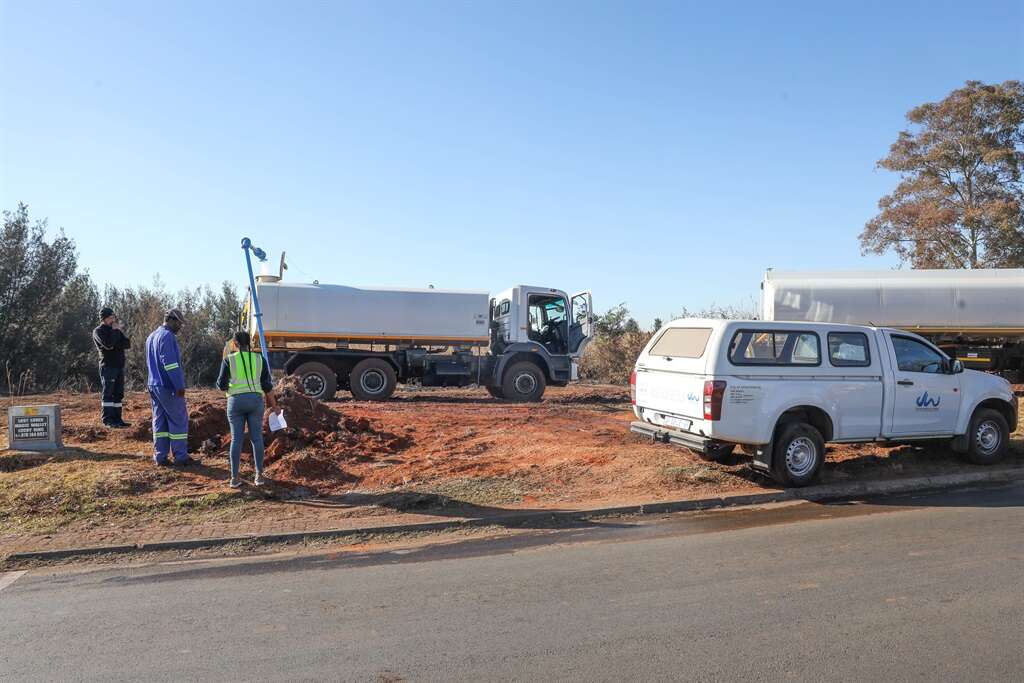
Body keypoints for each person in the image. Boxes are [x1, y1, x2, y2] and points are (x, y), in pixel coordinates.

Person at [216, 331, 278, 487]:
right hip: (256, 401)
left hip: (235, 402)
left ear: (235, 344)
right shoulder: (259, 359)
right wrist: (275, 406)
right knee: (256, 438)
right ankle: (259, 476)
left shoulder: (228, 360)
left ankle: (234, 478)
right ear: (249, 344)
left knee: (236, 439)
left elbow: (221, 385)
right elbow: (267, 386)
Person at [145, 308, 196, 466]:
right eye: (179, 323)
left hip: (154, 384)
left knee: (159, 420)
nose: (180, 327)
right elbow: (171, 364)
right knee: (179, 419)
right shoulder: (167, 336)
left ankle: (160, 456)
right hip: (168, 386)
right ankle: (181, 456)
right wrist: (179, 385)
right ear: (172, 320)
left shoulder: (151, 336)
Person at [92, 307, 131, 428]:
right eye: (110, 318)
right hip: (108, 367)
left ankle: (117, 419)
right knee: (108, 393)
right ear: (104, 319)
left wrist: (115, 337)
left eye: (113, 317)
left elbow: (127, 344)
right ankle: (108, 420)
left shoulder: (116, 331)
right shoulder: (98, 331)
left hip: (119, 366)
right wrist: (114, 334)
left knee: (118, 394)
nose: (113, 320)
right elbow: (108, 345)